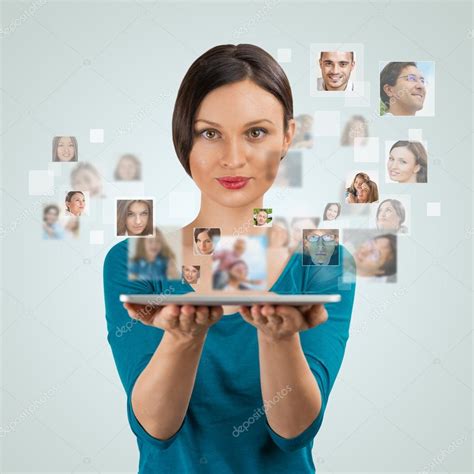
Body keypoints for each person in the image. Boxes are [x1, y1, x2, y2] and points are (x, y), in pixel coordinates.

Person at [104, 44, 356, 474]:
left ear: (287, 136)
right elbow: (156, 430)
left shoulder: (325, 258)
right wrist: (183, 338)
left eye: (256, 132)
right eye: (209, 133)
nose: (233, 158)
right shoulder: (137, 258)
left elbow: (293, 431)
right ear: (183, 137)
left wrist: (278, 338)